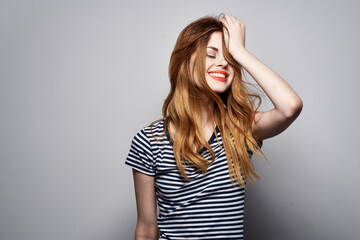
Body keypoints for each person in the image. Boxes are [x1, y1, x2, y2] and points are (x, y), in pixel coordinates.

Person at [125, 14, 303, 240]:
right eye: (211, 54)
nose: (224, 63)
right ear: (185, 61)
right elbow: (147, 228)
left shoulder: (241, 129)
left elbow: (291, 106)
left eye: (230, 57)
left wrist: (241, 51)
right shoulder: (148, 141)